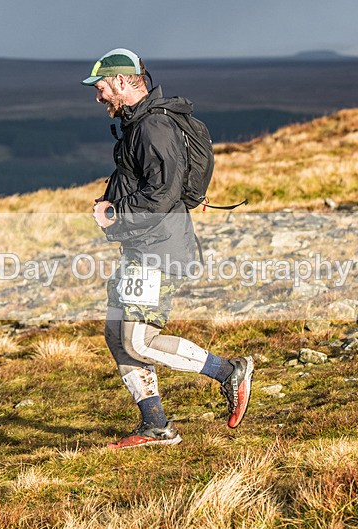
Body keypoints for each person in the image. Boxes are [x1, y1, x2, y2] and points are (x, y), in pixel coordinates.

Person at [83, 49, 254, 449]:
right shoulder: (139, 124)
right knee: (116, 332)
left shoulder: (152, 128)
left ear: (124, 82)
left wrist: (115, 212)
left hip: (158, 251)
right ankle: (155, 425)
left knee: (138, 340)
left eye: (103, 86)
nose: (99, 96)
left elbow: (163, 193)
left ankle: (229, 371)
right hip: (143, 246)